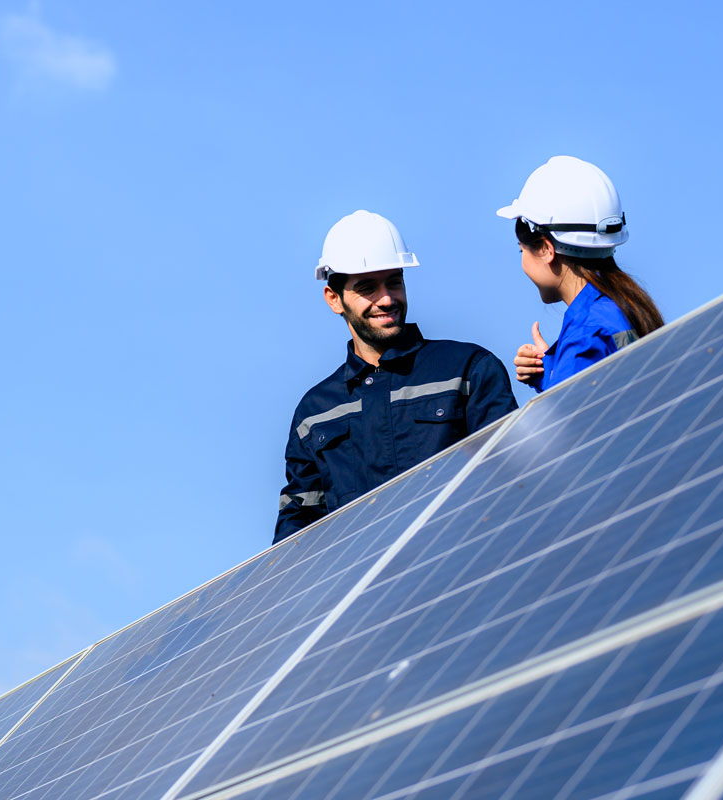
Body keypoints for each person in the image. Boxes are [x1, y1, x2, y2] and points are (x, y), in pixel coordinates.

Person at [275, 210, 518, 543]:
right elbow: (296, 534)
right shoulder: (314, 412)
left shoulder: (467, 369)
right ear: (334, 298)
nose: (387, 299)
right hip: (363, 591)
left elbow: (511, 481)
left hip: (461, 575)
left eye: (394, 281)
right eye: (367, 288)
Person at [500, 156, 664, 392]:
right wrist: (551, 371)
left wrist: (564, 368)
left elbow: (571, 424)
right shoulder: (625, 306)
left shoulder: (586, 335)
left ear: (546, 249)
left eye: (521, 249)